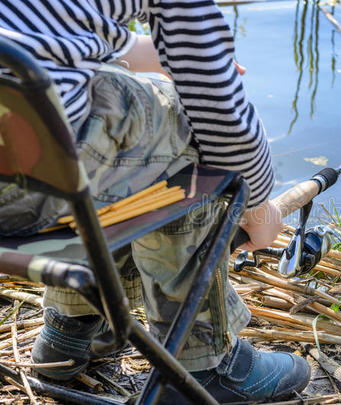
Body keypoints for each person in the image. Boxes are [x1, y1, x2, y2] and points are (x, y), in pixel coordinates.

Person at [0, 0, 310, 402]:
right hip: (33, 186)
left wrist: (153, 54)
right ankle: (203, 364)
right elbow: (222, 117)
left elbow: (44, 31)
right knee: (192, 124)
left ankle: (69, 330)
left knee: (114, 101)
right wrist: (257, 206)